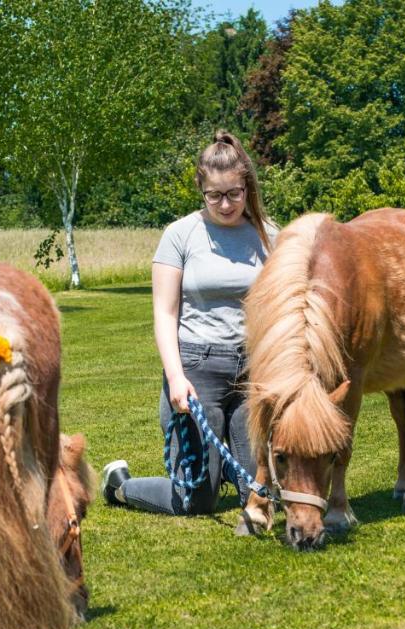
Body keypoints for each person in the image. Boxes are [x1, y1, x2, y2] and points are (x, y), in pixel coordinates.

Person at [101, 129, 276, 515]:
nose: (225, 204)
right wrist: (177, 378)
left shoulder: (269, 236)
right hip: (198, 370)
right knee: (193, 501)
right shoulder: (179, 235)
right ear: (201, 189)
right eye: (214, 195)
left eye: (233, 193)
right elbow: (165, 314)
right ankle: (119, 485)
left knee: (263, 490)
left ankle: (224, 467)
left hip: (254, 372)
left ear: (247, 186)